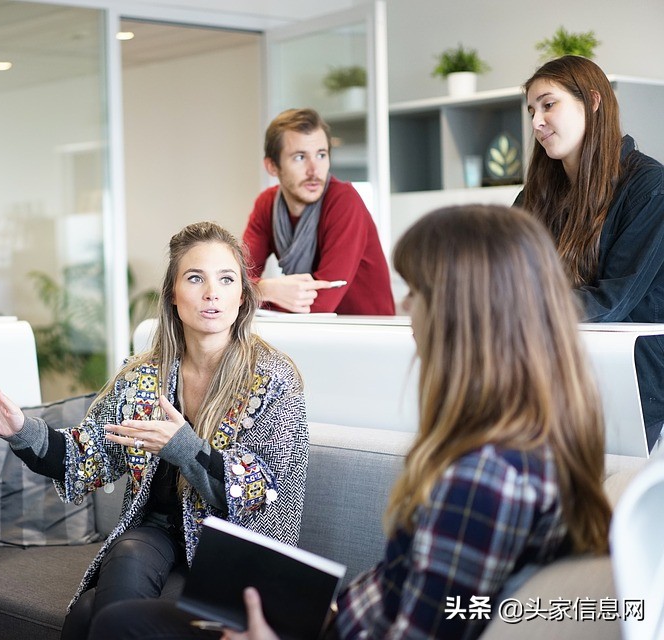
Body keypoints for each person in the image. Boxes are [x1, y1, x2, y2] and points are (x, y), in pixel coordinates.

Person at [89, 205, 612, 640]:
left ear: (463, 313)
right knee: (115, 617)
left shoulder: (484, 477)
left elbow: (427, 626)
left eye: (418, 292)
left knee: (121, 626)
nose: (406, 308)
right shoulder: (522, 443)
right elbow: (422, 596)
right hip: (337, 619)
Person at [0, 221, 309, 639]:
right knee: (125, 556)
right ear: (173, 295)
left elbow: (264, 495)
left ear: (242, 297)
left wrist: (183, 447)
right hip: (157, 533)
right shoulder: (143, 376)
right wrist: (19, 430)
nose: (212, 292)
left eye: (226, 279)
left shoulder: (273, 379)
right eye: (195, 278)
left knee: (90, 613)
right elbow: (83, 456)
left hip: (234, 549)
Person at [516, 55, 664, 452]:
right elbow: (504, 276)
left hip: (632, 385)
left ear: (593, 102)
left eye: (549, 104)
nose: (536, 122)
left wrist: (512, 310)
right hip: (552, 374)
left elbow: (611, 300)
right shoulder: (534, 197)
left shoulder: (650, 187)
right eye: (532, 110)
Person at [241, 108, 394, 315]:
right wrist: (266, 289)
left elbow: (321, 304)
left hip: (366, 335)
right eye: (299, 157)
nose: (314, 170)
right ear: (272, 166)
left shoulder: (344, 201)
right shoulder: (266, 204)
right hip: (311, 333)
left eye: (321, 155)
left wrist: (255, 293)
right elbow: (235, 280)